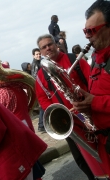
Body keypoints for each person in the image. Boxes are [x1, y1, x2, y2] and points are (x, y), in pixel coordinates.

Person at [35, 34, 95, 180]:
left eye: (50, 44)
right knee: (81, 159)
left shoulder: (73, 59)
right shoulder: (41, 74)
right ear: (41, 52)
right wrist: (58, 114)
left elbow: (91, 80)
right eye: (44, 47)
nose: (48, 48)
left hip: (90, 112)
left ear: (56, 45)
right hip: (69, 122)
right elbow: (42, 97)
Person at [72, 0, 110, 177]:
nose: (87, 36)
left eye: (91, 31)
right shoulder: (95, 57)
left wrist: (94, 102)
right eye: (85, 31)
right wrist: (85, 107)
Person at [0, 63, 45, 180]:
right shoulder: (19, 87)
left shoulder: (1, 93)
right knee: (32, 164)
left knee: (25, 169)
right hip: (27, 126)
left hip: (16, 134)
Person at [31, 48, 45, 132]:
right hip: (40, 88)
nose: (39, 55)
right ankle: (41, 125)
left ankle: (42, 125)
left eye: (39, 54)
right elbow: (35, 77)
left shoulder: (40, 61)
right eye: (37, 54)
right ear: (33, 55)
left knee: (44, 106)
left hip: (42, 87)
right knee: (43, 106)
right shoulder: (35, 64)